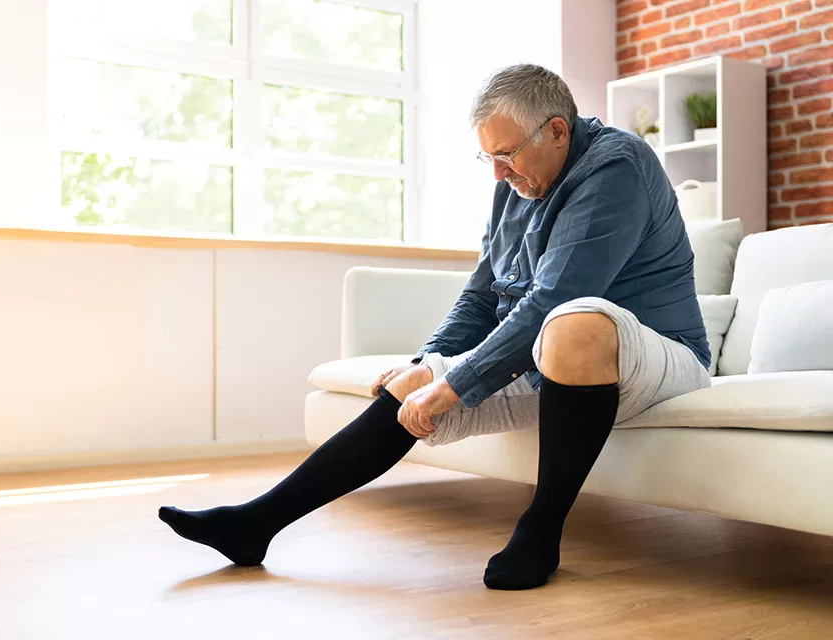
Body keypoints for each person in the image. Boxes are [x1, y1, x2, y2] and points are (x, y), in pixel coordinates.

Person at [159, 63, 712, 591]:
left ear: (557, 131)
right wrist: (429, 363)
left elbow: (554, 299)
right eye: (488, 157)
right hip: (556, 363)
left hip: (658, 359)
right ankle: (255, 524)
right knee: (414, 383)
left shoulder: (616, 167)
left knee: (574, 324)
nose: (497, 173)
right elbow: (483, 294)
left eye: (505, 155)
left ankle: (541, 530)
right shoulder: (516, 184)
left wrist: (456, 384)